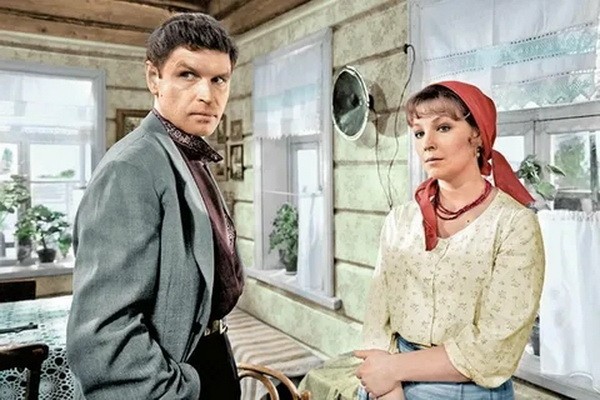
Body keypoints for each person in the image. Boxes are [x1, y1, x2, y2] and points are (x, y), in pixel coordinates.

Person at [66, 13, 244, 400]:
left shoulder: (188, 154)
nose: (207, 95)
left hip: (213, 353)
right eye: (187, 75)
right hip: (178, 377)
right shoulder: (130, 167)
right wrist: (179, 389)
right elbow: (104, 337)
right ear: (153, 78)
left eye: (219, 79)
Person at [354, 81, 545, 400]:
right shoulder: (400, 220)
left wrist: (393, 369)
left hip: (468, 390)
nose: (427, 143)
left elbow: (494, 346)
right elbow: (376, 316)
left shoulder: (514, 225)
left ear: (477, 135)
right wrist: (387, 388)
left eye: (443, 127)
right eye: (419, 133)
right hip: (386, 387)